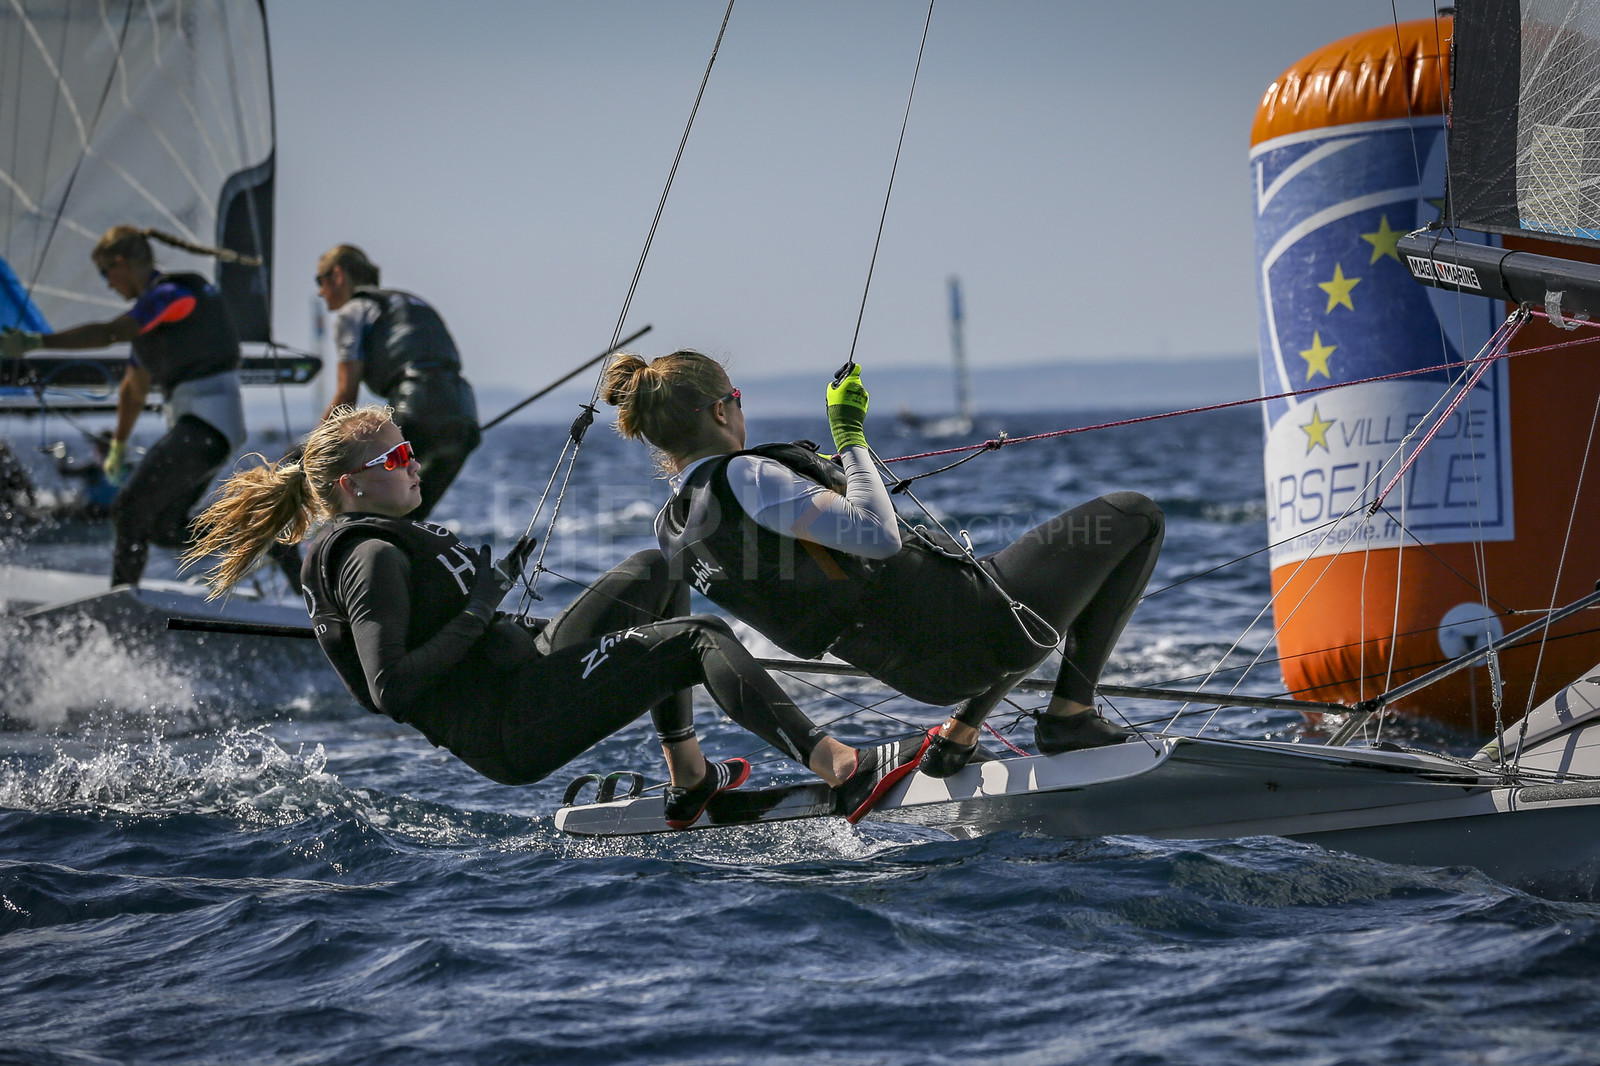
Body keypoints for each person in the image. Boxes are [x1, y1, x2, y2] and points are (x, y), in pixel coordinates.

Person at [183, 405, 932, 827]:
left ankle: (689, 779)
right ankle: (838, 766)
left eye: (409, 448)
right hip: (509, 724)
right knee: (696, 639)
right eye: (397, 458)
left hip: (524, 661)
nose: (414, 463)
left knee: (659, 567)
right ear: (352, 487)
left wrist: (487, 596)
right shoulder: (367, 556)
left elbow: (447, 620)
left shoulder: (380, 538)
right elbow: (390, 689)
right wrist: (481, 604)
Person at [603, 351, 1166, 779]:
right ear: (721, 409)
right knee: (1135, 515)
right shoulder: (746, 475)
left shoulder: (672, 527)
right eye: (738, 397)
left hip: (919, 674)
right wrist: (851, 439)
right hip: (977, 629)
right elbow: (878, 537)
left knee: (1038, 586)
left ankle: (961, 732)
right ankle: (1069, 716)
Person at [0, 225, 249, 586]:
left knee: (128, 510)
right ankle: (262, 534)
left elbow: (109, 333)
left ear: (121, 263)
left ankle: (121, 597)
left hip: (207, 424)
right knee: (164, 527)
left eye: (106, 273)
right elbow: (134, 388)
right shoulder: (149, 323)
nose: (108, 285)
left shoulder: (172, 295)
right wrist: (117, 446)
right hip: (206, 428)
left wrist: (36, 342)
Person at [315, 245, 480, 519]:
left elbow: (345, 397)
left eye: (320, 281)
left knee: (368, 511)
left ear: (338, 275)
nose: (321, 292)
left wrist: (312, 454)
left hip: (416, 408)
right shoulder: (411, 301)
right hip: (464, 416)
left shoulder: (353, 310)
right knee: (408, 519)